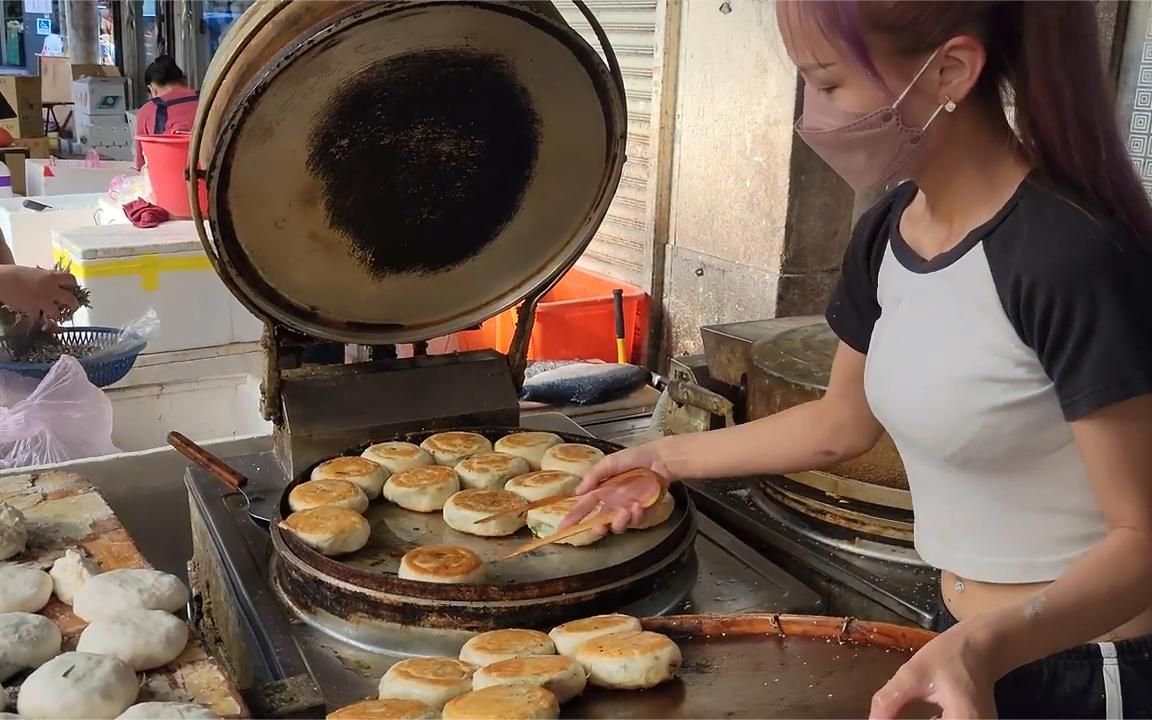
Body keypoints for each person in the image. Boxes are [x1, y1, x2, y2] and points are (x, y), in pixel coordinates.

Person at [563, 2, 1152, 718]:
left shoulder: (1067, 258)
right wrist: (661, 461)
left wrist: (988, 647)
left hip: (1083, 666)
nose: (812, 115)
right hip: (954, 635)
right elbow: (841, 423)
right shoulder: (887, 232)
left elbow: (1141, 543)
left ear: (950, 72)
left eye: (829, 82)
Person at [133, 55, 199, 171]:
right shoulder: (208, 99)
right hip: (213, 179)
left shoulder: (148, 110)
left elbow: (140, 164)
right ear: (182, 80)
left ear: (152, 88)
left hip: (168, 182)